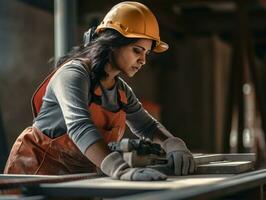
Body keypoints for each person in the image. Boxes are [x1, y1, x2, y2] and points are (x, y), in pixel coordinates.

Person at [4, 1, 196, 181]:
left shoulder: (121, 91)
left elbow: (147, 127)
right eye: (137, 50)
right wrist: (121, 171)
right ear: (113, 43)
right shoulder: (73, 74)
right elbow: (80, 126)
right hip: (36, 174)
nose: (143, 60)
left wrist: (173, 144)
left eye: (146, 53)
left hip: (78, 180)